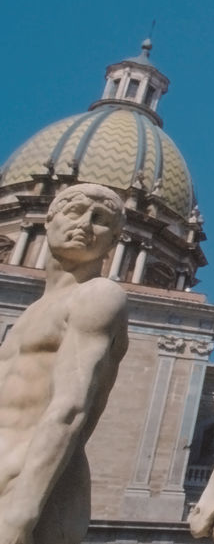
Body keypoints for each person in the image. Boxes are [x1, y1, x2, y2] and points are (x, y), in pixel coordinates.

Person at [0, 184, 129, 544]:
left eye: (101, 220)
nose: (85, 225)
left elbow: (70, 409)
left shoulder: (98, 296)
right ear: (47, 219)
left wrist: (20, 513)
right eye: (75, 211)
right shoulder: (31, 313)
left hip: (30, 490)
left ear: (117, 241)